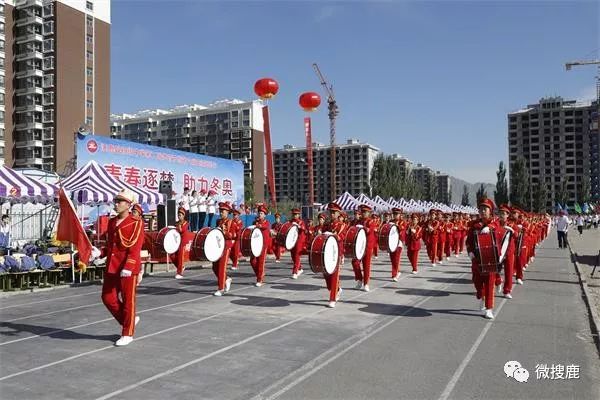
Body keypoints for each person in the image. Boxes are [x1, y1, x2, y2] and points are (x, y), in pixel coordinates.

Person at [101, 189, 145, 346]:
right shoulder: (112, 222)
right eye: (116, 200)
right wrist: (98, 253)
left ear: (128, 205)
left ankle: (127, 332)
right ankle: (129, 320)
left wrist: (129, 266)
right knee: (107, 298)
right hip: (112, 266)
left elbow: (135, 247)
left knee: (128, 302)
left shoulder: (136, 223)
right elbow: (110, 245)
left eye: (120, 201)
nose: (116, 203)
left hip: (127, 268)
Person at [466, 198, 503, 320]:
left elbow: (498, 228)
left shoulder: (495, 223)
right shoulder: (474, 225)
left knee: (489, 284)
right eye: (481, 209)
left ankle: (489, 308)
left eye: (485, 209)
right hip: (476, 259)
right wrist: (470, 252)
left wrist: (490, 227)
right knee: (477, 282)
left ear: (490, 211)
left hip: (490, 259)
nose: (482, 211)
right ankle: (481, 296)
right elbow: (469, 241)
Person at [323, 202, 345, 307]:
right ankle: (337, 289)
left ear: (338, 213)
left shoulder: (342, 225)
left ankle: (332, 299)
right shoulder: (326, 225)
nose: (331, 214)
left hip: (336, 252)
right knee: (326, 274)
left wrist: (335, 236)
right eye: (330, 212)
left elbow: (342, 237)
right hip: (327, 252)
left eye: (334, 212)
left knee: (335, 275)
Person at [351, 204, 378, 292]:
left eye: (365, 212)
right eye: (362, 212)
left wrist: (363, 228)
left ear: (369, 213)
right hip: (358, 246)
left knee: (366, 265)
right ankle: (359, 279)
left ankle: (366, 283)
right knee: (355, 262)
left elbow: (370, 231)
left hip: (367, 246)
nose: (363, 214)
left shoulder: (371, 221)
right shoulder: (357, 222)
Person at [213, 202, 236, 296]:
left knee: (222, 267)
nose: (221, 213)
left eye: (223, 211)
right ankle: (226, 279)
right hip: (218, 245)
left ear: (227, 212)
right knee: (214, 267)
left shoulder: (231, 222)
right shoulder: (218, 221)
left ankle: (221, 288)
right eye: (220, 211)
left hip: (226, 246)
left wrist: (224, 231)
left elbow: (233, 235)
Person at [250, 205, 271, 286]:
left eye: (262, 213)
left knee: (261, 262)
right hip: (255, 244)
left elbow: (264, 227)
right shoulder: (255, 222)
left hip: (263, 245)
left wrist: (257, 225)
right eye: (259, 213)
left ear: (265, 215)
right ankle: (260, 274)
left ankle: (259, 279)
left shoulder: (267, 222)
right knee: (252, 261)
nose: (260, 215)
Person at [289, 208, 307, 279]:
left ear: (299, 215)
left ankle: (295, 272)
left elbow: (303, 228)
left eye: (296, 214)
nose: (295, 216)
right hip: (292, 240)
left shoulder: (301, 222)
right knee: (293, 255)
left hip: (299, 241)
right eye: (294, 214)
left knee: (297, 255)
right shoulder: (290, 221)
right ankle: (299, 268)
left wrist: (298, 225)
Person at [173, 207, 189, 279]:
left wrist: (178, 227)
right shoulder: (177, 223)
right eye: (178, 215)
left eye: (180, 215)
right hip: (176, 241)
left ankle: (180, 273)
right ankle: (181, 267)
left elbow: (182, 230)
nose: (179, 216)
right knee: (172, 255)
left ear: (183, 215)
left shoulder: (186, 223)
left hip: (183, 241)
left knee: (180, 256)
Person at [389, 207, 405, 281]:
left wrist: (396, 225)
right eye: (394, 214)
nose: (395, 215)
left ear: (399, 214)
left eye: (397, 214)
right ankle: (397, 271)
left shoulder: (402, 222)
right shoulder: (390, 221)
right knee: (392, 259)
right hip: (391, 242)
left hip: (398, 243)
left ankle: (394, 275)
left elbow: (402, 230)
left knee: (396, 259)